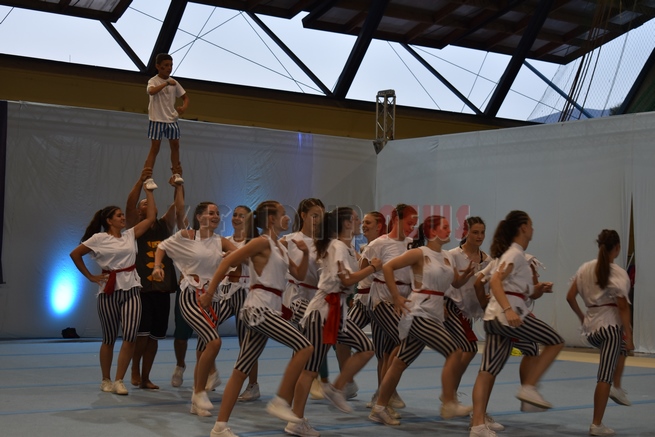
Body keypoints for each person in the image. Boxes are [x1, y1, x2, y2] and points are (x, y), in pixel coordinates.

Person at [204, 200, 314, 437]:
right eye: (283, 213)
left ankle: (219, 427)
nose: (287, 217)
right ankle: (281, 400)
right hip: (259, 309)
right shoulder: (261, 242)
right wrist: (210, 293)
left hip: (270, 309)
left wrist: (305, 253)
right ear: (272, 219)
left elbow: (299, 274)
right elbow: (227, 262)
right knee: (305, 346)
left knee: (240, 370)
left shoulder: (280, 246)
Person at [369, 215, 474, 426]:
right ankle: (449, 401)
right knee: (454, 351)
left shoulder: (447, 256)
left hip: (434, 312)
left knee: (399, 362)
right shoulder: (419, 253)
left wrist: (465, 277)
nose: (449, 230)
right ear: (432, 231)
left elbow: (454, 282)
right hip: (418, 312)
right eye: (445, 227)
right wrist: (396, 296)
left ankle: (379, 407)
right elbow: (388, 267)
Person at [469, 211, 565, 437]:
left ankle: (478, 424)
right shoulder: (515, 253)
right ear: (523, 228)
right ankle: (529, 387)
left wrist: (538, 289)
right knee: (555, 341)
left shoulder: (512, 255)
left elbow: (520, 289)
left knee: (487, 370)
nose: (533, 229)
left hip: (494, 318)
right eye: (531, 225)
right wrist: (508, 309)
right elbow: (495, 281)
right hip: (508, 316)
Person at [290, 207, 381, 436]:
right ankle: (295, 420)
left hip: (337, 312)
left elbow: (348, 277)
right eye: (356, 219)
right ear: (346, 223)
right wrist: (372, 268)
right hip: (322, 312)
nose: (360, 222)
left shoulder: (346, 248)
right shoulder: (338, 246)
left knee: (366, 347)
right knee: (310, 370)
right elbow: (346, 280)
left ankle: (336, 388)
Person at [69, 183, 156, 396]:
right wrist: (90, 277)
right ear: (109, 220)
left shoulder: (129, 235)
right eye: (118, 215)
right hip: (108, 291)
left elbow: (151, 218)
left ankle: (119, 380)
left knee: (130, 336)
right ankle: (106, 379)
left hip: (131, 289)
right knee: (108, 338)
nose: (123, 218)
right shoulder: (99, 239)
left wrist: (149, 192)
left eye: (122, 215)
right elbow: (75, 254)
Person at [152, 202, 238, 416]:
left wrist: (232, 256)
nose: (216, 216)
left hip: (212, 297)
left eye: (217, 213)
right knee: (214, 341)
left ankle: (196, 398)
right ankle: (199, 390)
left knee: (205, 346)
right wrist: (157, 266)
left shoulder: (220, 241)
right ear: (199, 217)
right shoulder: (188, 236)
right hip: (191, 295)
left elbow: (240, 255)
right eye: (210, 213)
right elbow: (162, 247)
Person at [566, 229, 633, 436]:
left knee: (620, 349)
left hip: (591, 330)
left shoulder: (585, 268)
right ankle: (597, 423)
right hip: (610, 328)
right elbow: (623, 307)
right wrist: (630, 335)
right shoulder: (618, 273)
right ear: (617, 248)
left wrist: (582, 317)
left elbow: (570, 297)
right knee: (605, 377)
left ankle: (617, 387)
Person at [126, 167, 185, 390]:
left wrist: (178, 185)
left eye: (149, 203)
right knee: (141, 335)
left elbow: (178, 207)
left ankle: (146, 376)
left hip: (162, 288)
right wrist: (144, 185)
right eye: (144, 204)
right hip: (142, 288)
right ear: (139, 211)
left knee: (155, 336)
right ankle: (134, 370)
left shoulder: (164, 225)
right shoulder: (135, 228)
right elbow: (130, 204)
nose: (148, 205)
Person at [364, 204, 418, 409]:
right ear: (396, 219)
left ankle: (382, 394)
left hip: (403, 300)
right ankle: (386, 394)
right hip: (382, 300)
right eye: (409, 222)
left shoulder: (413, 245)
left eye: (415, 223)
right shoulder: (379, 244)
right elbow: (364, 269)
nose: (412, 227)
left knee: (385, 352)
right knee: (402, 339)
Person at [334, 211, 387, 399]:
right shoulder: (361, 248)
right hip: (361, 300)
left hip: (378, 301)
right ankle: (346, 381)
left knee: (381, 350)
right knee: (341, 339)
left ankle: (383, 393)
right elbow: (356, 271)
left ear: (379, 226)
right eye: (362, 221)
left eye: (368, 222)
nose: (364, 225)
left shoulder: (382, 246)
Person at [219, 205, 261, 402]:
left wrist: (236, 255)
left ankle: (253, 385)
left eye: (241, 216)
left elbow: (255, 265)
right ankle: (209, 374)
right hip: (227, 292)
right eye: (234, 215)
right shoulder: (225, 241)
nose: (236, 218)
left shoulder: (254, 242)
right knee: (207, 326)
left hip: (246, 294)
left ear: (249, 220)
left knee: (247, 342)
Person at [144, 53, 189, 190]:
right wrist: (166, 83)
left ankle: (176, 173)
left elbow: (185, 97)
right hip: (157, 119)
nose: (169, 68)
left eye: (171, 65)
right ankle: (148, 176)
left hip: (171, 119)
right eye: (166, 65)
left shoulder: (174, 82)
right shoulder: (154, 81)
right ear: (158, 66)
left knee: (175, 145)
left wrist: (183, 107)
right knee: (155, 147)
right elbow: (151, 91)